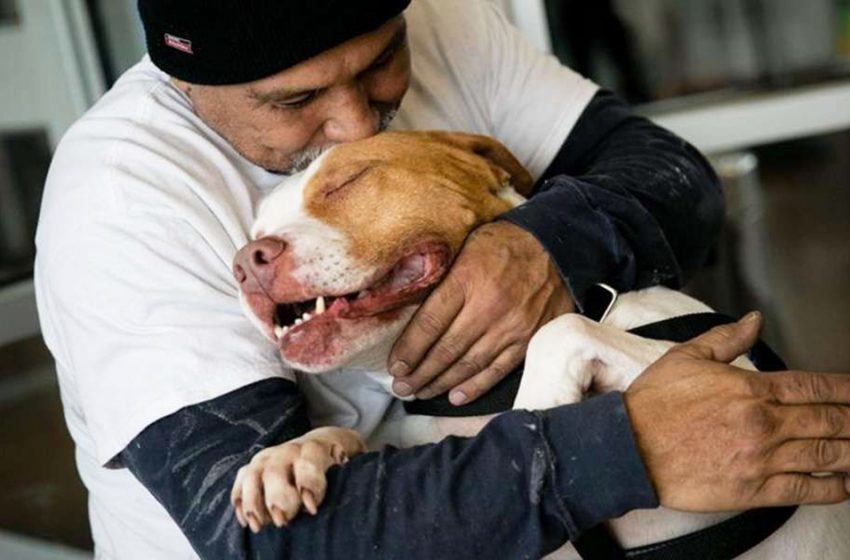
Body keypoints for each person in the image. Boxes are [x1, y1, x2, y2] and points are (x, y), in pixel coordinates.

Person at [34, 1, 850, 559]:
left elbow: (674, 178)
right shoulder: (122, 194)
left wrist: (545, 244)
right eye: (295, 100)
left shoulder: (442, 21)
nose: (357, 124)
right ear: (185, 84)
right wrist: (630, 449)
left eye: (383, 62)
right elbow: (276, 541)